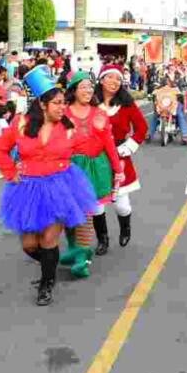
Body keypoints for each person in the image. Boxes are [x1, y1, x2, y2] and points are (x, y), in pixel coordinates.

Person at [0, 74, 104, 306]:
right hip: (27, 189)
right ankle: (49, 265)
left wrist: (100, 131)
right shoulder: (21, 124)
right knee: (29, 245)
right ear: (42, 104)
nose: (62, 107)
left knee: (49, 237)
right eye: (57, 103)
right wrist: (11, 172)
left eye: (64, 103)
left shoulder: (69, 128)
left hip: (60, 186)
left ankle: (46, 284)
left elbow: (92, 149)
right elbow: (0, 149)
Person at [61, 73, 123, 278]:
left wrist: (118, 169)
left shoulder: (100, 114)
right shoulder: (64, 114)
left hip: (97, 167)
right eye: (83, 87)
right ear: (73, 90)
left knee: (86, 212)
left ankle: (82, 259)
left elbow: (109, 143)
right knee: (70, 213)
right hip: (71, 167)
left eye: (90, 87)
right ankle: (74, 249)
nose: (88, 91)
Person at [91, 64, 148, 253]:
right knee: (96, 205)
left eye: (118, 78)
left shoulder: (126, 104)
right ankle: (103, 239)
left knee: (122, 205)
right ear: (101, 79)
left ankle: (125, 227)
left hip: (120, 156)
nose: (115, 82)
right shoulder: (90, 102)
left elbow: (141, 128)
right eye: (110, 78)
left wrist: (128, 147)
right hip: (96, 158)